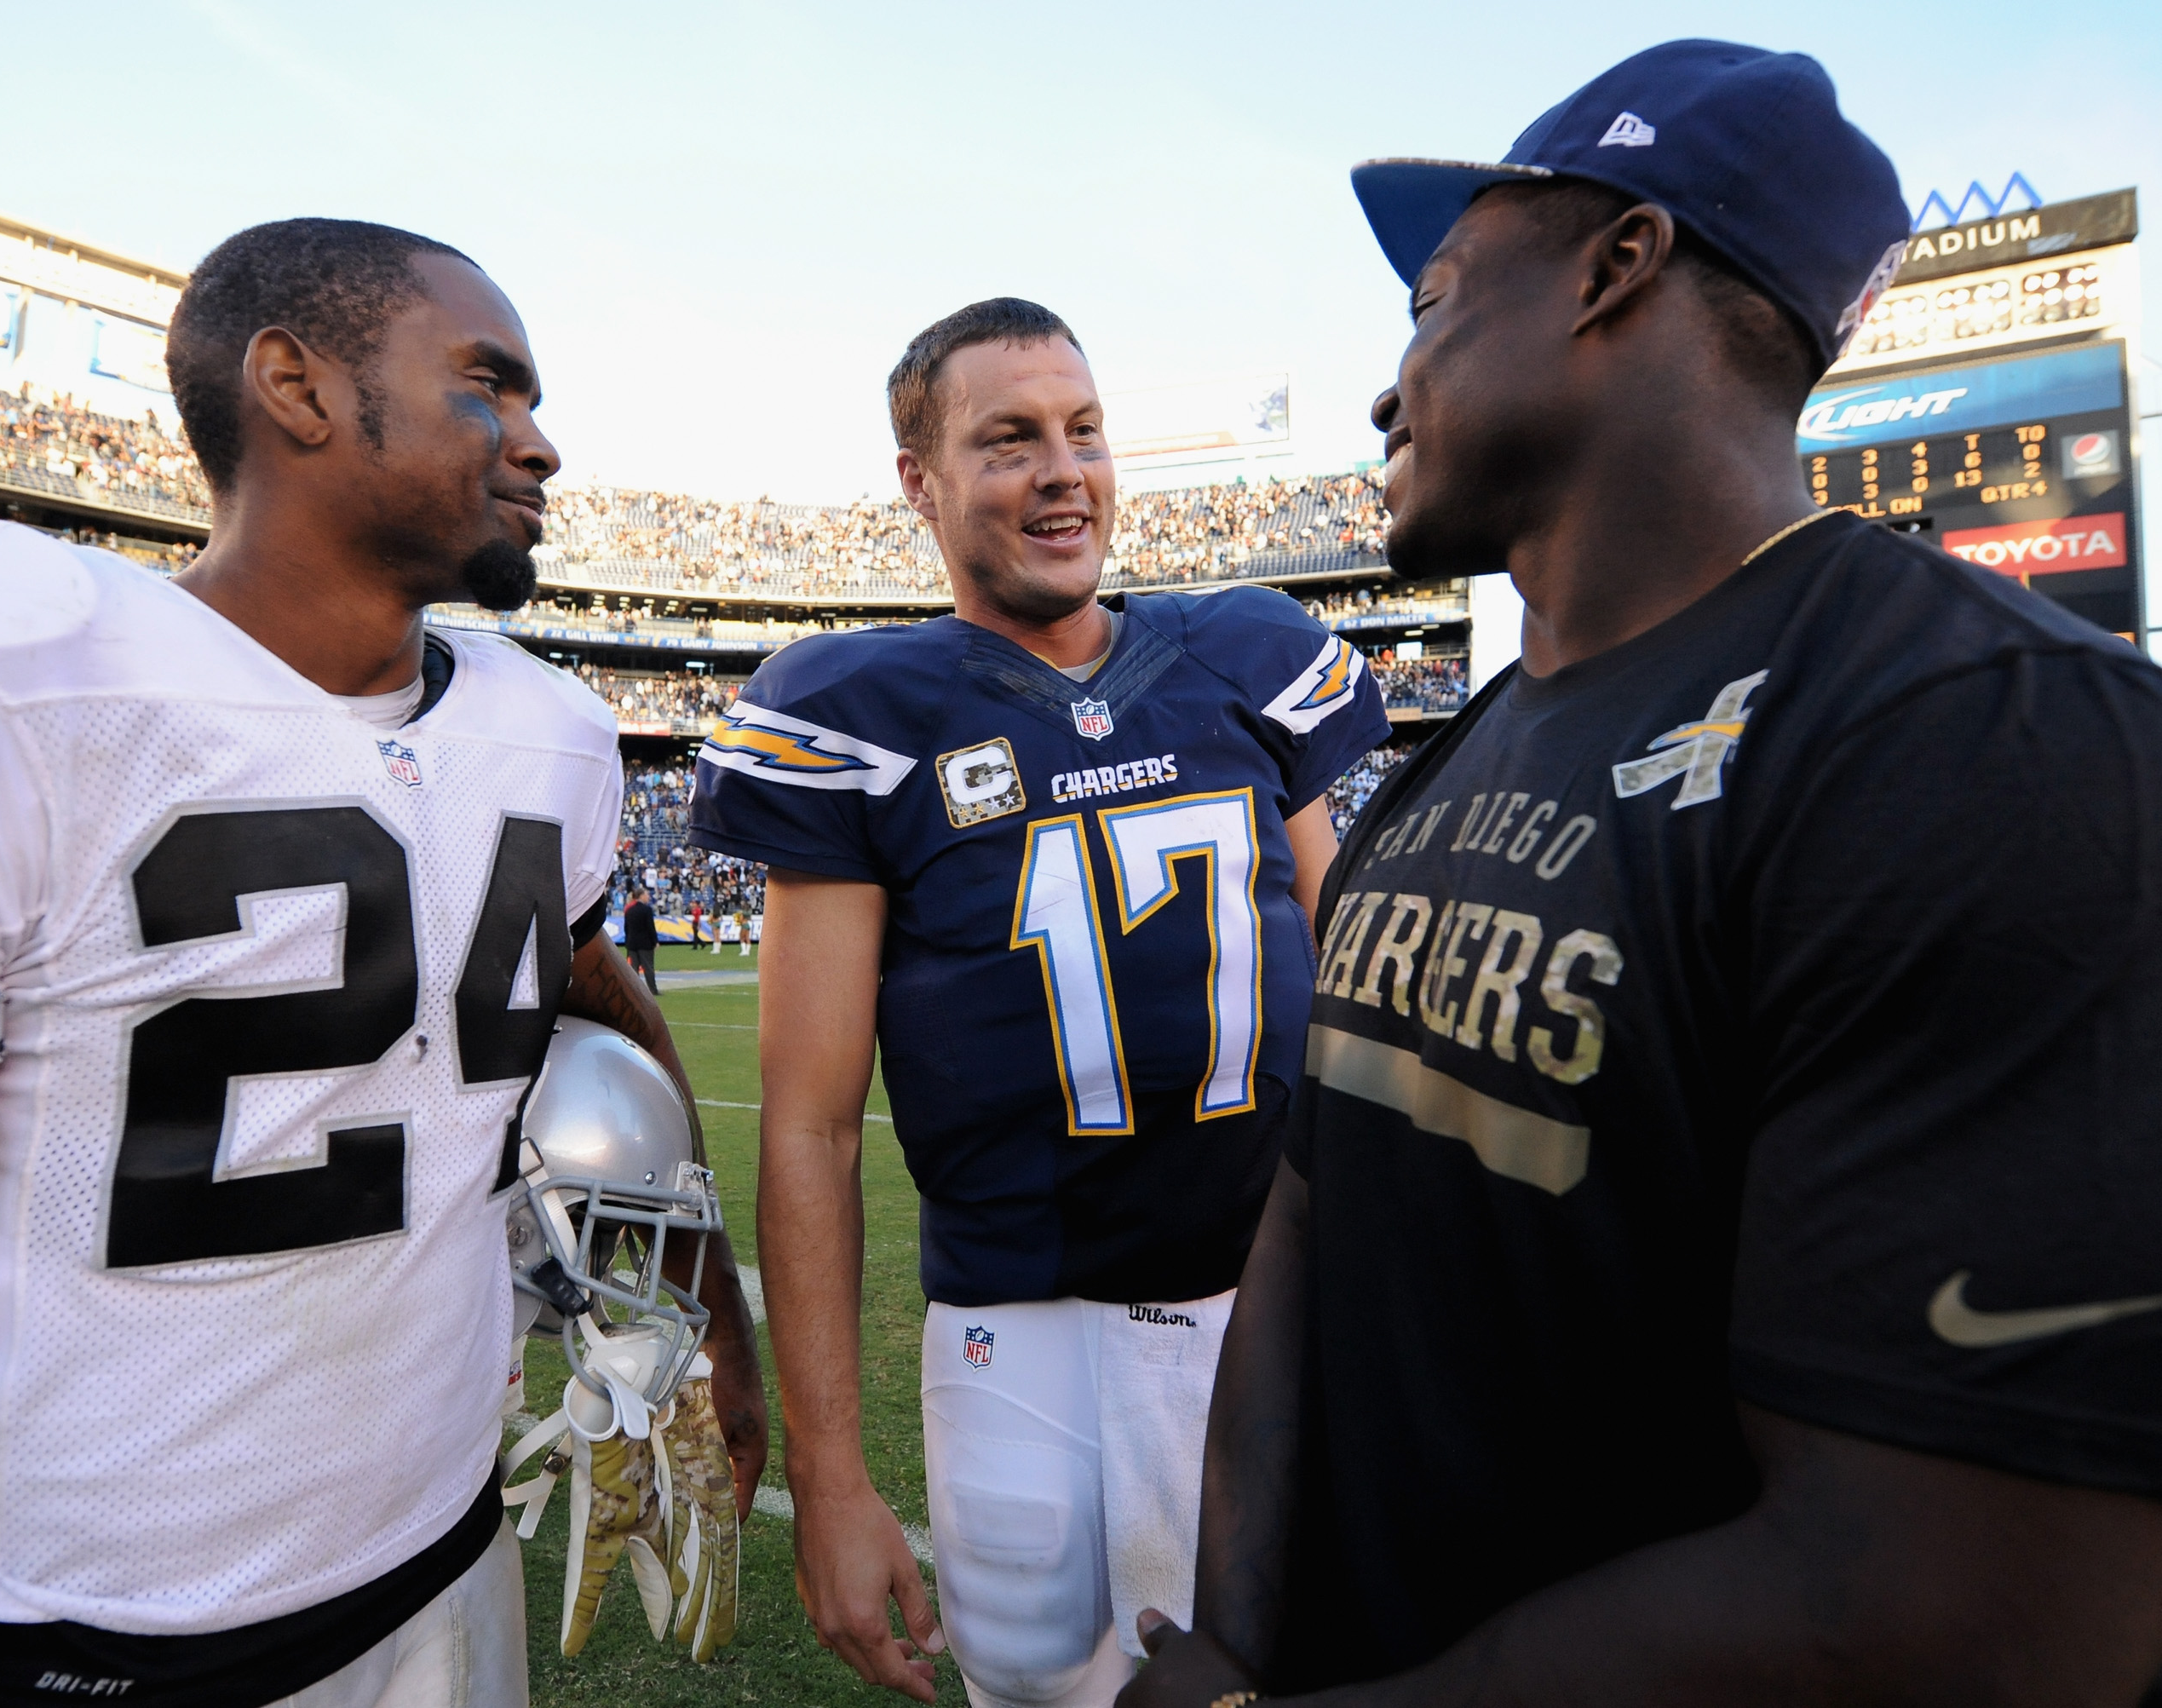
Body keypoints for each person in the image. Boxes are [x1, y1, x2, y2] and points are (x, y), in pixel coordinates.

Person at [1126, 41, 2162, 1708]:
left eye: (1438, 300)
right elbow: (1305, 1242)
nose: (1390, 390)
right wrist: (1240, 1651)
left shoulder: (1991, 741)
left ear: (1621, 266)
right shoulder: (1461, 756)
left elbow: (1975, 1606)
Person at [0, 218, 764, 1708]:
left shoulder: (546, 736)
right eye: (489, 385)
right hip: (87, 1628)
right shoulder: (10, 677)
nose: (539, 443)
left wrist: (710, 1317)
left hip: (439, 1553)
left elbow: (585, 990)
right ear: (295, 385)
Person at [692, 297, 1388, 1707]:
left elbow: (1370, 1003)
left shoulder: (1245, 654)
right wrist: (832, 1482)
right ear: (921, 482)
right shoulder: (858, 709)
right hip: (1027, 1339)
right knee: (1051, 1688)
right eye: (1008, 440)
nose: (1063, 470)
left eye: (1084, 432)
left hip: (1282, 1298)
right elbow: (813, 1129)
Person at [624, 886, 661, 993]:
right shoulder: (646, 910)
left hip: (632, 943)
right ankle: (653, 990)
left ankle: (633, 990)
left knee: (633, 968)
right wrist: (655, 941)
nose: (648, 897)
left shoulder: (629, 910)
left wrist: (628, 940)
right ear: (642, 896)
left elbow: (626, 928)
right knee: (648, 967)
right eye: (647, 895)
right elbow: (650, 927)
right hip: (645, 943)